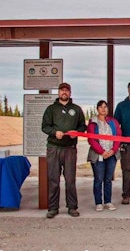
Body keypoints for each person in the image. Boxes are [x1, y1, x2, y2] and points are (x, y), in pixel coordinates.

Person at [41, 82, 87, 218]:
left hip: (70, 149)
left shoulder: (76, 109)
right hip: (54, 147)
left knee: (70, 179)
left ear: (70, 93)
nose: (64, 92)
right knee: (54, 179)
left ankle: (72, 207)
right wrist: (55, 132)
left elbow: (82, 126)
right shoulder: (51, 109)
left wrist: (76, 132)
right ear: (59, 93)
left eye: (67, 90)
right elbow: (45, 126)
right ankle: (53, 207)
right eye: (62, 90)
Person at [87, 100, 122, 212]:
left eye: (105, 107)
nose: (103, 109)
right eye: (101, 107)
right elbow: (91, 139)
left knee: (108, 179)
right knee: (98, 179)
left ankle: (108, 201)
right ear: (97, 109)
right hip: (98, 155)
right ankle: (98, 202)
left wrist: (113, 150)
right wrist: (102, 152)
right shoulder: (93, 122)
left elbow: (118, 136)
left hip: (111, 154)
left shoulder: (113, 121)